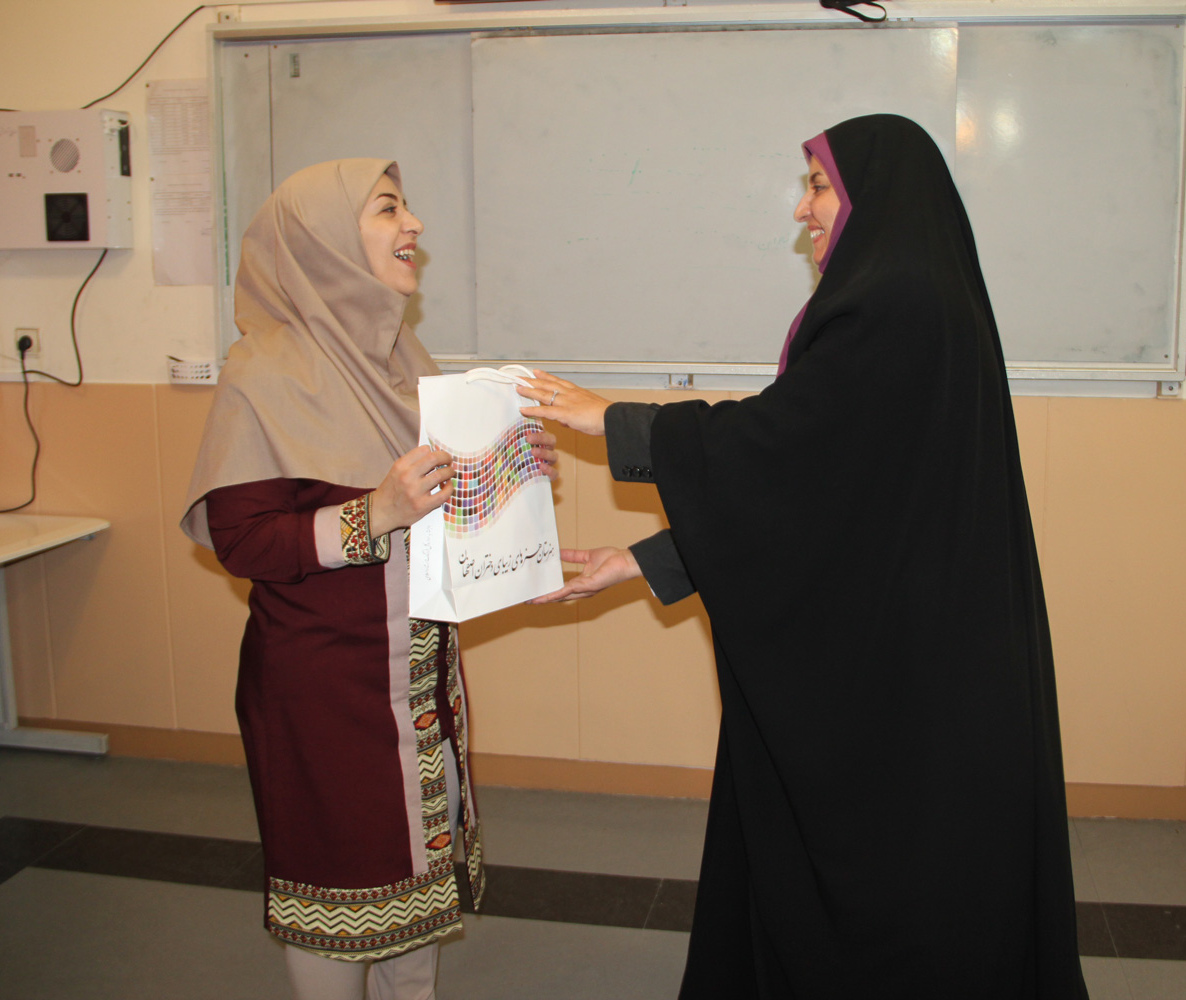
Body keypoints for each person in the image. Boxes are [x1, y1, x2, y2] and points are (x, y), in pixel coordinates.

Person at [517, 115, 1090, 998]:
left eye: (819, 185)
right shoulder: (920, 298)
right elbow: (825, 499)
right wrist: (643, 563)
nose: (802, 208)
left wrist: (618, 423)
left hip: (907, 693)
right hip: (925, 667)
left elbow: (788, 454)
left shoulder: (894, 303)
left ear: (872, 193)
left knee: (898, 906)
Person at [181, 159, 555, 1000]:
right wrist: (371, 515)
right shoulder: (264, 374)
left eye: (407, 206)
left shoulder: (402, 359)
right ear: (320, 241)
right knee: (338, 890)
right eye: (387, 208)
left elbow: (436, 507)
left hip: (417, 676)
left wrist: (509, 478)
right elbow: (240, 538)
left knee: (416, 894)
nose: (413, 223)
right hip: (323, 692)